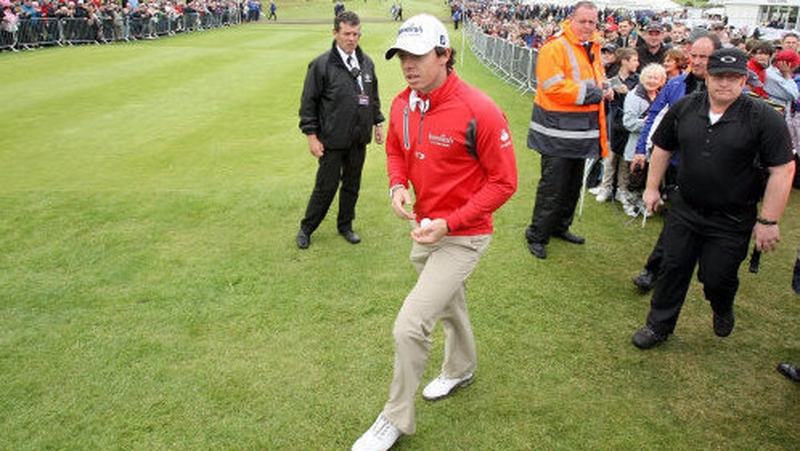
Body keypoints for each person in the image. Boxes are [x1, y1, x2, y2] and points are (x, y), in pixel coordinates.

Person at [351, 14, 517, 451]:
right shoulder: (405, 102)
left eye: (419, 55)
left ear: (444, 54)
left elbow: (505, 183)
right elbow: (394, 149)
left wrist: (450, 222)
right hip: (427, 229)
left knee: (410, 325)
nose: (408, 65)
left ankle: (394, 418)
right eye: (402, 56)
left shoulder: (480, 109)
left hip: (464, 234)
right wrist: (396, 184)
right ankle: (461, 368)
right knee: (450, 305)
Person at [631, 48, 796, 349]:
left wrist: (768, 221)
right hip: (685, 209)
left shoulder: (764, 118)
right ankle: (658, 326)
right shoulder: (685, 107)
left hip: (732, 218)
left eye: (733, 78)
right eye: (719, 76)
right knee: (672, 269)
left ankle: (722, 306)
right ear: (707, 76)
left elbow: (782, 169)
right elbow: (663, 148)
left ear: (744, 80)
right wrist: (652, 188)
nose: (725, 84)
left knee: (717, 277)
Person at [630, 32, 721, 292]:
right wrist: (640, 149)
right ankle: (653, 271)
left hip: (714, 169)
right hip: (677, 163)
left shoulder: (732, 90)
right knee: (676, 220)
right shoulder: (675, 85)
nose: (699, 61)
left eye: (706, 57)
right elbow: (655, 117)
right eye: (695, 56)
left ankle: (711, 279)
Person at [524, 1, 612, 260]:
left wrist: (605, 85)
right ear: (571, 19)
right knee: (553, 187)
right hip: (556, 131)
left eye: (592, 22)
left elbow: (595, 77)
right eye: (583, 21)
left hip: (580, 131)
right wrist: (597, 93)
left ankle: (561, 227)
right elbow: (552, 87)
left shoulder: (592, 46)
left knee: (573, 186)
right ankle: (537, 235)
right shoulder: (555, 46)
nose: (587, 26)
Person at [296, 11, 384, 249]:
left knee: (352, 185)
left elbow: (372, 96)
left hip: (358, 139)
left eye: (356, 34)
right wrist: (312, 137)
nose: (352, 38)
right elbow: (308, 104)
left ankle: (345, 225)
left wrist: (377, 123)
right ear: (335, 33)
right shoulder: (321, 65)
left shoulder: (367, 63)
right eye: (347, 33)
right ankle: (307, 228)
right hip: (332, 140)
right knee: (326, 187)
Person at [620, 63, 667, 217]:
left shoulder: (661, 95)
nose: (652, 81)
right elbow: (628, 122)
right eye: (649, 77)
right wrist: (647, 123)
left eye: (656, 78)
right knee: (634, 176)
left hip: (654, 148)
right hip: (636, 146)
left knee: (648, 177)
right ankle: (629, 203)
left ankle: (642, 201)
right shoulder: (634, 96)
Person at [595, 47, 639, 203]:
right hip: (612, 121)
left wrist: (629, 93)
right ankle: (605, 187)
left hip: (628, 123)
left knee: (625, 158)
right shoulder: (610, 77)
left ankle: (622, 189)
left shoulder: (637, 80)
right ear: (625, 61)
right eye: (634, 60)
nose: (637, 63)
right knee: (610, 156)